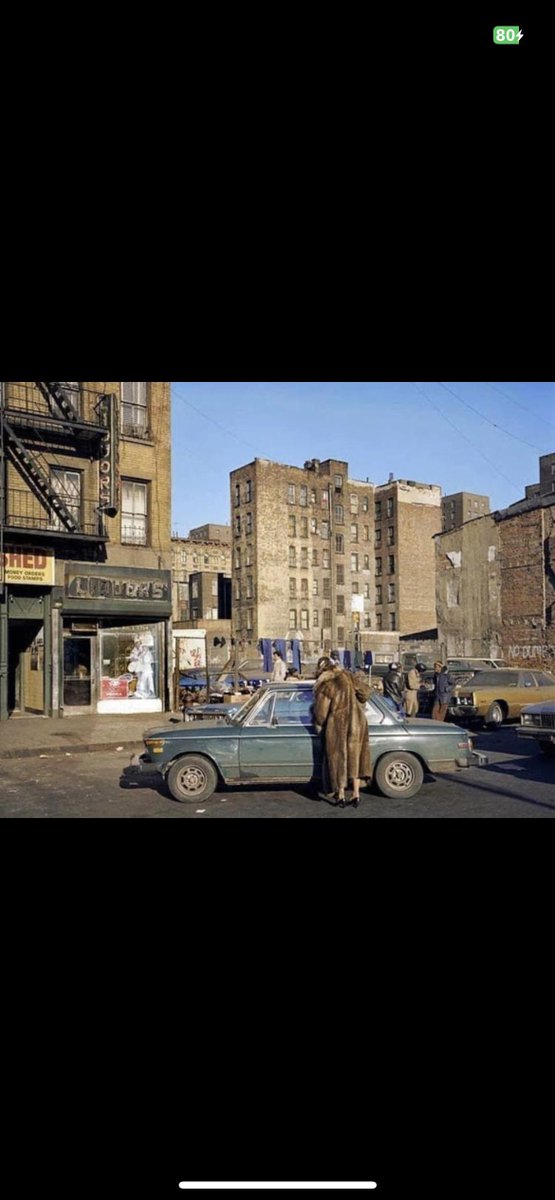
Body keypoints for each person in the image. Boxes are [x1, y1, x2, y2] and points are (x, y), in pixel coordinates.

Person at [312, 655, 372, 809]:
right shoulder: (348, 676)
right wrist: (357, 704)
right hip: (357, 722)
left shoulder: (326, 684)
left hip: (338, 724)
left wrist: (318, 724)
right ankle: (356, 794)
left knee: (339, 758)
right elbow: (365, 692)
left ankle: (341, 795)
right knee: (356, 758)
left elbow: (321, 713)